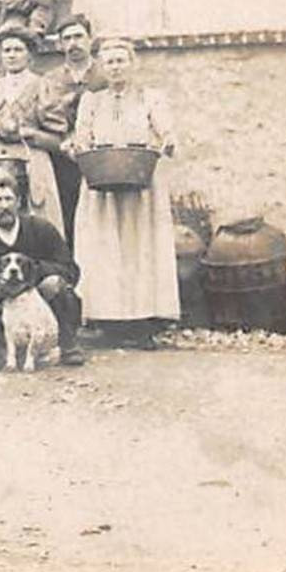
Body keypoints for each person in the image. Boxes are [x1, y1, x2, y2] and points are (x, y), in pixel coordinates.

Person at [66, 38, 180, 349]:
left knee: (138, 248)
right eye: (109, 62)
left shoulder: (150, 98)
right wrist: (77, 147)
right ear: (101, 67)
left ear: (132, 63)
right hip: (101, 184)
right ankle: (106, 321)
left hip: (140, 183)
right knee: (104, 249)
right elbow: (82, 136)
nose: (115, 67)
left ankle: (142, 322)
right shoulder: (91, 100)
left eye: (121, 60)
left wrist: (168, 141)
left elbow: (167, 131)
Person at [0, 173, 85, 368]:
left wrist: (36, 274)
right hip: (5, 308)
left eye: (9, 199)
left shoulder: (41, 229)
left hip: (41, 303)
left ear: (18, 202)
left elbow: (70, 268)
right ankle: (0, 352)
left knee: (55, 284)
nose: (4, 206)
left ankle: (66, 346)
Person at [0, 30, 65, 238]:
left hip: (31, 163)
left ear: (29, 55)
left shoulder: (42, 86)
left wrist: (28, 133)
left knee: (35, 224)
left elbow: (58, 137)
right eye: (7, 50)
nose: (12, 55)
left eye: (18, 50)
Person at [34, 14, 106, 242]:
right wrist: (63, 142)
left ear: (90, 39)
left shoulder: (106, 74)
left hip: (101, 156)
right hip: (63, 158)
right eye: (67, 39)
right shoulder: (51, 79)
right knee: (68, 214)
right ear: (60, 44)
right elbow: (43, 118)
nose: (73, 43)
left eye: (78, 36)